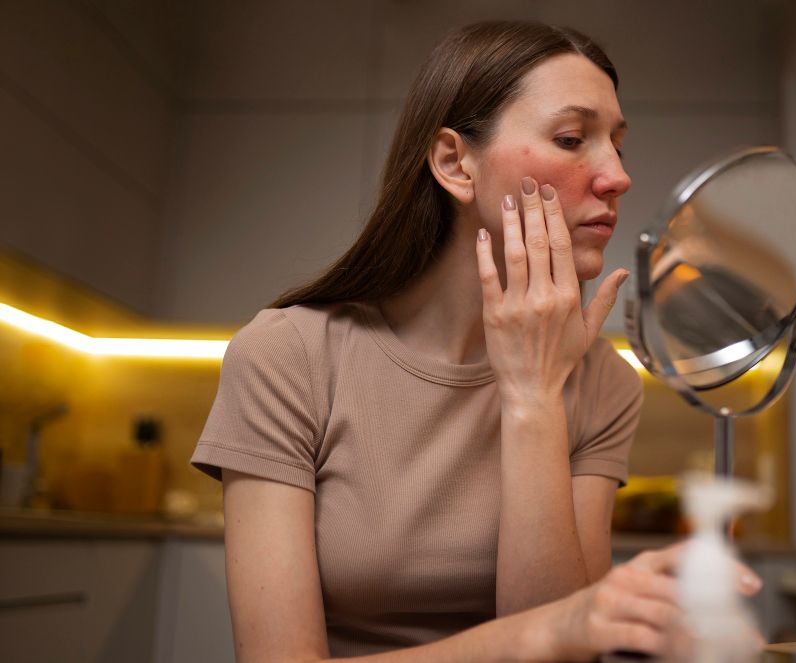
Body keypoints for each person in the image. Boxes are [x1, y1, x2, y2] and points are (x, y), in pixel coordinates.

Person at [190, 20, 762, 662]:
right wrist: (549, 633)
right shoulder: (287, 357)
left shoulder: (602, 382)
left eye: (617, 146)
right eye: (572, 139)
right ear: (455, 163)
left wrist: (533, 396)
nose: (617, 176)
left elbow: (570, 653)